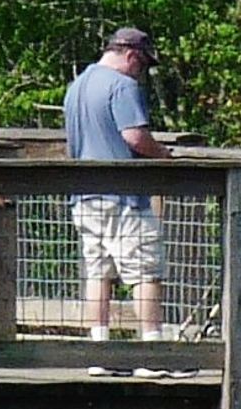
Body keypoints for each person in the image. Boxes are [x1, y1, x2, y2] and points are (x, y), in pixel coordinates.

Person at [61, 25, 174, 337]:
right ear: (130, 55)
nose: (142, 74)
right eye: (143, 65)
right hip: (124, 199)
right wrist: (163, 154)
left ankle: (98, 352)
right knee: (145, 272)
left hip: (84, 196)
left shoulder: (78, 86)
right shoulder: (121, 86)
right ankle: (153, 353)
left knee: (98, 273)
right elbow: (135, 137)